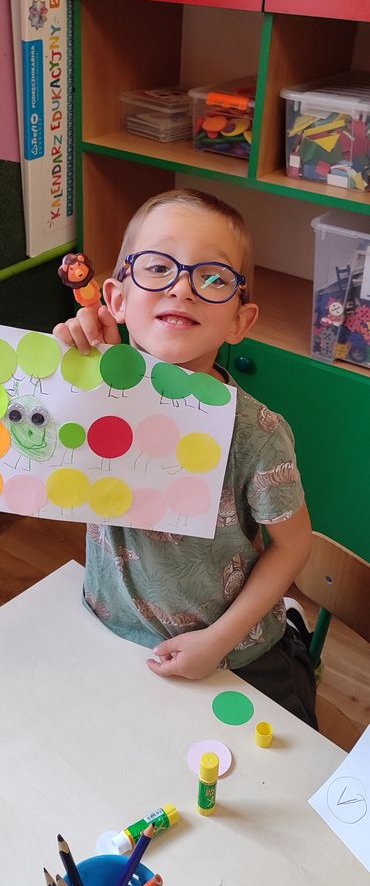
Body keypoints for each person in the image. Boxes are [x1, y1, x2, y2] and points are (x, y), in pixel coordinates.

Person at [54, 188, 317, 728]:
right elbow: (44, 463)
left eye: (213, 278)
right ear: (117, 299)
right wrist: (64, 372)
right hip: (108, 627)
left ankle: (291, 632)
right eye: (157, 267)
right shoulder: (94, 389)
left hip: (233, 652)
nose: (181, 287)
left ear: (240, 321)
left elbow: (293, 545)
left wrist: (218, 641)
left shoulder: (259, 435)